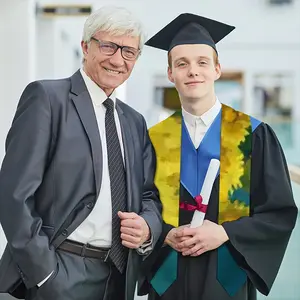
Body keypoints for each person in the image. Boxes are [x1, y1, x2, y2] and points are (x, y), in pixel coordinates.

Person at [0, 6, 162, 300]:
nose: (117, 59)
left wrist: (148, 227)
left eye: (129, 51)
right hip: (59, 271)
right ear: (86, 46)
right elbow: (14, 195)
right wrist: (44, 273)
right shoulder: (48, 100)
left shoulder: (134, 122)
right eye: (108, 46)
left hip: (118, 276)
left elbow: (148, 194)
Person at [138, 13, 298, 300]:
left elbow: (279, 212)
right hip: (168, 279)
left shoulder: (253, 135)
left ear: (217, 69)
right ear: (170, 73)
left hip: (227, 279)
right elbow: (139, 204)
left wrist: (226, 233)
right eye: (182, 64)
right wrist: (163, 234)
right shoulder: (153, 139)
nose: (193, 71)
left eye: (202, 62)